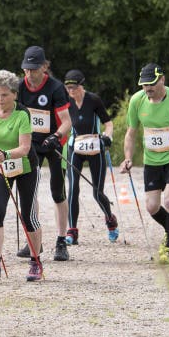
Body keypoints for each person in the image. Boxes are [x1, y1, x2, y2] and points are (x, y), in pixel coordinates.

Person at [121, 63, 169, 263]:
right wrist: (128, 157)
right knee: (152, 206)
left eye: (152, 84)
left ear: (162, 80)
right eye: (144, 85)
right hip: (152, 160)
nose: (148, 89)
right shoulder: (137, 101)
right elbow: (131, 133)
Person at [0, 70, 43, 281]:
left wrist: (5, 154)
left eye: (4, 95)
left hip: (25, 168)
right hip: (1, 168)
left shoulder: (22, 114)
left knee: (28, 215)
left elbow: (24, 148)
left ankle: (35, 262)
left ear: (14, 94)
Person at [16, 46, 73, 262]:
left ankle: (61, 241)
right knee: (29, 192)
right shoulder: (20, 87)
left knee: (58, 192)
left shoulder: (55, 88)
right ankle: (34, 240)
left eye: (34, 69)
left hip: (54, 143)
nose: (29, 74)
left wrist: (56, 136)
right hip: (31, 144)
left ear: (44, 67)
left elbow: (67, 121)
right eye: (26, 69)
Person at [63, 69, 118, 244]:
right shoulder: (66, 101)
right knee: (73, 190)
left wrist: (108, 137)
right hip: (75, 147)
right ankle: (72, 231)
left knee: (97, 192)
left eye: (74, 87)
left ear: (81, 85)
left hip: (95, 147)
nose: (71, 91)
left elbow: (108, 124)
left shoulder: (93, 100)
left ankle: (110, 220)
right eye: (68, 88)